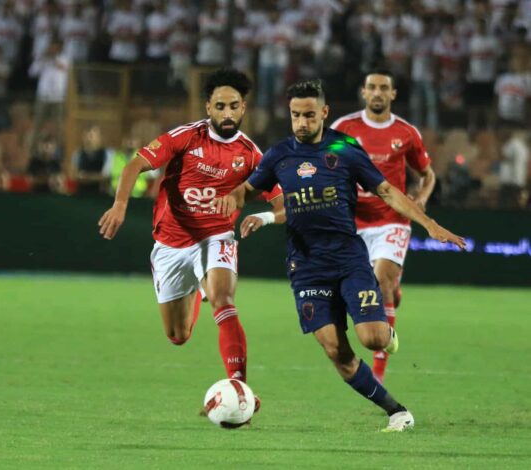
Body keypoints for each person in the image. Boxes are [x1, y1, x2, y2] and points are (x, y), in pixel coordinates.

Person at [215, 79, 465, 432]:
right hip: (306, 266)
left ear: (324, 113)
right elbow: (248, 188)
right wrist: (233, 197)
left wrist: (430, 224)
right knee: (336, 350)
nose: (302, 122)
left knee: (373, 339)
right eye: (295, 115)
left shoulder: (345, 148)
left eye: (309, 115)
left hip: (348, 258)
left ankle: (386, 334)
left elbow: (386, 190)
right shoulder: (279, 154)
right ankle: (396, 411)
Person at [98, 68, 279, 399]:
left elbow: (284, 204)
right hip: (171, 242)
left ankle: (239, 388)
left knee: (223, 300)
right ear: (208, 107)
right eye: (220, 106)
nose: (227, 113)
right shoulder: (186, 137)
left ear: (243, 108)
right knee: (177, 335)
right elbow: (135, 164)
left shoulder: (252, 155)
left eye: (234, 106)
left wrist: (265, 216)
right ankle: (197, 286)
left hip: (216, 237)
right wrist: (120, 205)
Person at [328, 70, 436, 384]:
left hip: (393, 219)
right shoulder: (345, 128)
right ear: (364, 92)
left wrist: (421, 198)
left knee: (381, 280)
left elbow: (427, 174)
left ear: (393, 94)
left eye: (383, 88)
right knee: (355, 290)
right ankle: (392, 291)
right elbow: (327, 161)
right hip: (353, 222)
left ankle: (378, 371)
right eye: (372, 87)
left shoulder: (406, 133)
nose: (377, 92)